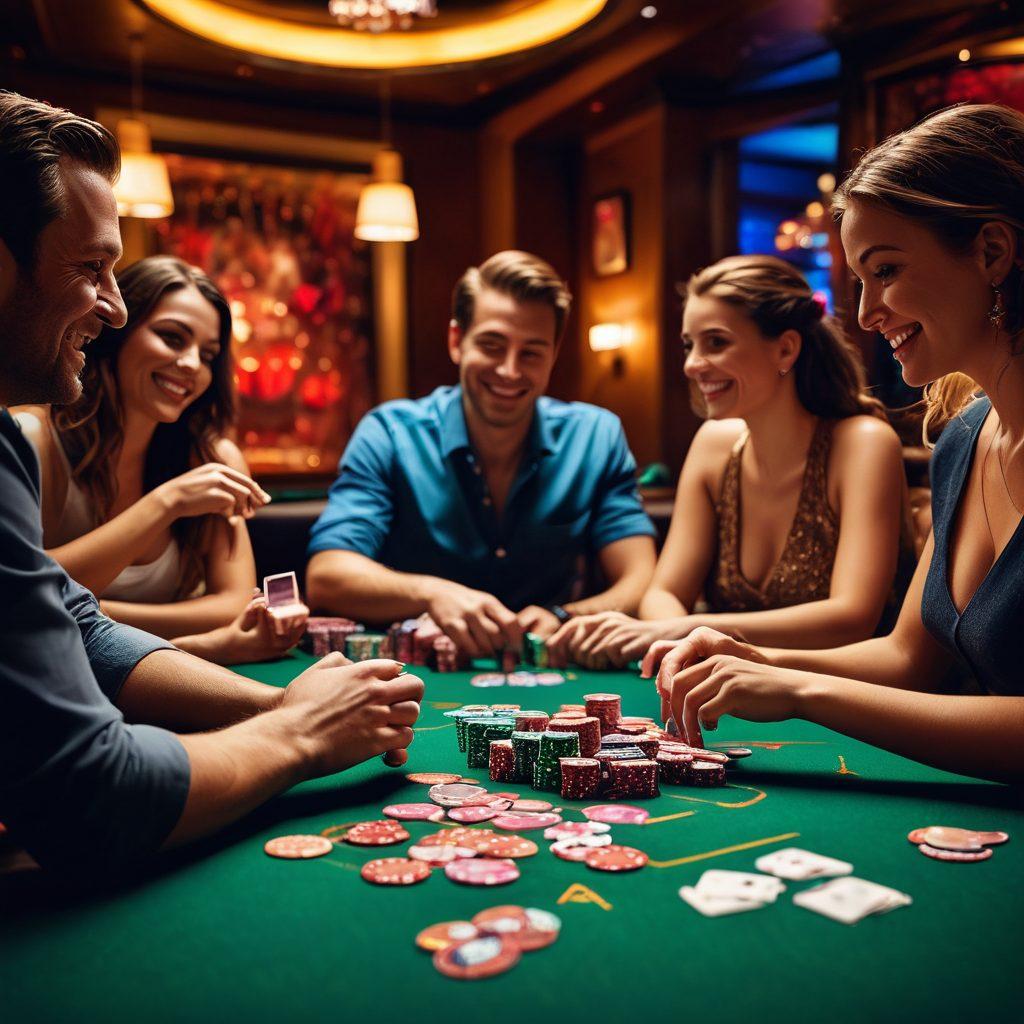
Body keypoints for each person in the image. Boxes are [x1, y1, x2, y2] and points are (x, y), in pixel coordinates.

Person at [0, 91, 423, 874]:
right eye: (92, 267)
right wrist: (297, 734)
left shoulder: (196, 450)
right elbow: (90, 791)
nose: (115, 309)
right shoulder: (25, 442)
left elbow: (77, 625)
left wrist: (281, 702)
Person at [643, 103, 1024, 783]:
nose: (867, 313)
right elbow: (907, 657)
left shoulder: (870, 441)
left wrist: (803, 691)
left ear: (991, 252)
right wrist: (754, 660)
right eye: (859, 281)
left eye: (885, 271)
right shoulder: (964, 438)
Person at [549, 255, 914, 668]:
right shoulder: (714, 446)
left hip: (844, 704)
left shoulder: (863, 444)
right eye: (690, 345)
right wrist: (675, 639)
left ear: (785, 348)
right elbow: (662, 593)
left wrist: (688, 629)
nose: (692, 364)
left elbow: (852, 618)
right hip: (731, 696)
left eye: (716, 342)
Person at [306, 250, 658, 658]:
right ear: (457, 341)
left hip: (554, 678)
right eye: (492, 345)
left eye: (531, 352)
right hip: (415, 679)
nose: (509, 371)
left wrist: (565, 615)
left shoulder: (596, 435)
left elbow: (641, 578)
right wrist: (432, 593)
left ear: (554, 354)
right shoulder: (389, 432)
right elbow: (328, 574)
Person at [13, 255, 306, 665]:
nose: (190, 365)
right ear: (117, 335)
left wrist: (90, 616)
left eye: (207, 355)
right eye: (171, 338)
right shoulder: (33, 440)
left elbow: (232, 604)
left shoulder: (212, 457)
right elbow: (20, 593)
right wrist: (166, 503)